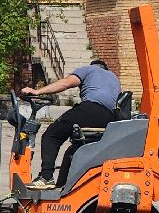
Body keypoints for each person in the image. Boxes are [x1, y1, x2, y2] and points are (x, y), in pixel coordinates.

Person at [21, 58, 122, 189]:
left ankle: (46, 177)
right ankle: (63, 185)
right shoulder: (114, 78)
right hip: (109, 118)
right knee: (74, 149)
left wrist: (37, 92)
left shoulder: (89, 70)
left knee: (51, 136)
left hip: (90, 109)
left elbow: (66, 83)